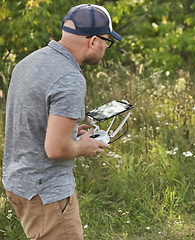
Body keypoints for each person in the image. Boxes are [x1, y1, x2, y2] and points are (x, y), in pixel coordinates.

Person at [2, 4, 122, 240]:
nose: (106, 47)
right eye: (107, 41)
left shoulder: (29, 62)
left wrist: (69, 132)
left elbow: (32, 119)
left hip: (18, 182)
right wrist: (83, 146)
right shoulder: (69, 78)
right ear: (93, 41)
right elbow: (56, 149)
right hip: (47, 195)